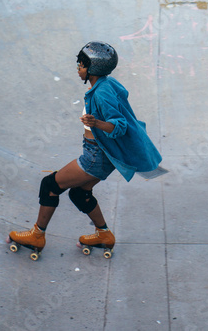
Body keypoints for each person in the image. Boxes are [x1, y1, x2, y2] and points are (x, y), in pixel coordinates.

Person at [8, 41, 162, 257]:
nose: (78, 68)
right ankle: (104, 235)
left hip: (95, 156)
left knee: (50, 185)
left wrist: (96, 123)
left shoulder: (101, 93)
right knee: (80, 194)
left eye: (80, 65)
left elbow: (119, 125)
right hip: (104, 156)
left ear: (92, 69)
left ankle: (37, 235)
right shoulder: (108, 84)